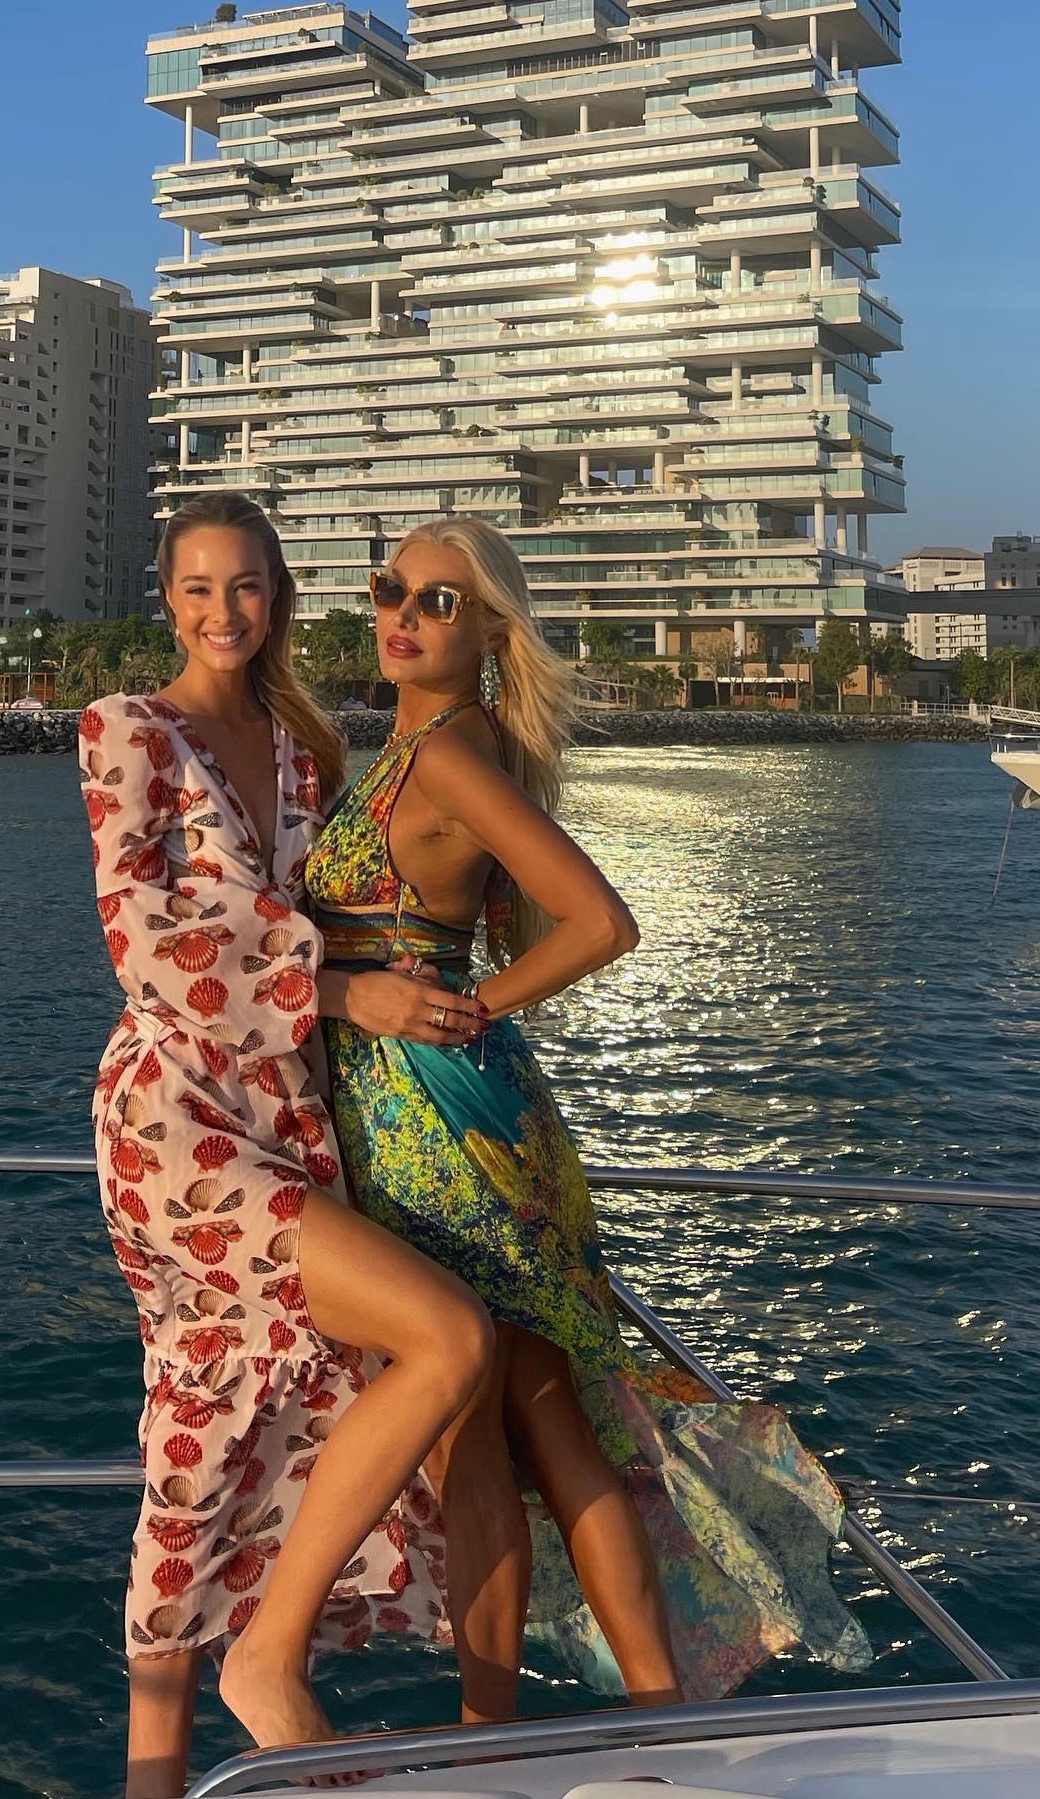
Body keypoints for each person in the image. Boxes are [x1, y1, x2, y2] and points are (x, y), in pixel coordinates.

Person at [306, 516, 872, 1722]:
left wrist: (466, 1009)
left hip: (438, 1123)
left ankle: (493, 1729)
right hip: (452, 1111)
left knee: (478, 1436)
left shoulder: (448, 756)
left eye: (441, 601)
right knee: (544, 1415)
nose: (403, 615)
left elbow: (602, 922)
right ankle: (651, 1710)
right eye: (391, 588)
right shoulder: (420, 748)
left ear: (491, 633)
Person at [80, 493, 497, 1799]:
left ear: (281, 600)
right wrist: (344, 995)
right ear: (168, 599)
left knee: (206, 1422)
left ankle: (175, 1754)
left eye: (248, 586)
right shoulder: (126, 730)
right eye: (200, 588)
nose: (225, 611)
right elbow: (144, 946)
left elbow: (375, 896)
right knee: (448, 1338)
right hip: (173, 1121)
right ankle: (264, 1663)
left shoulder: (300, 749)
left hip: (287, 1113)